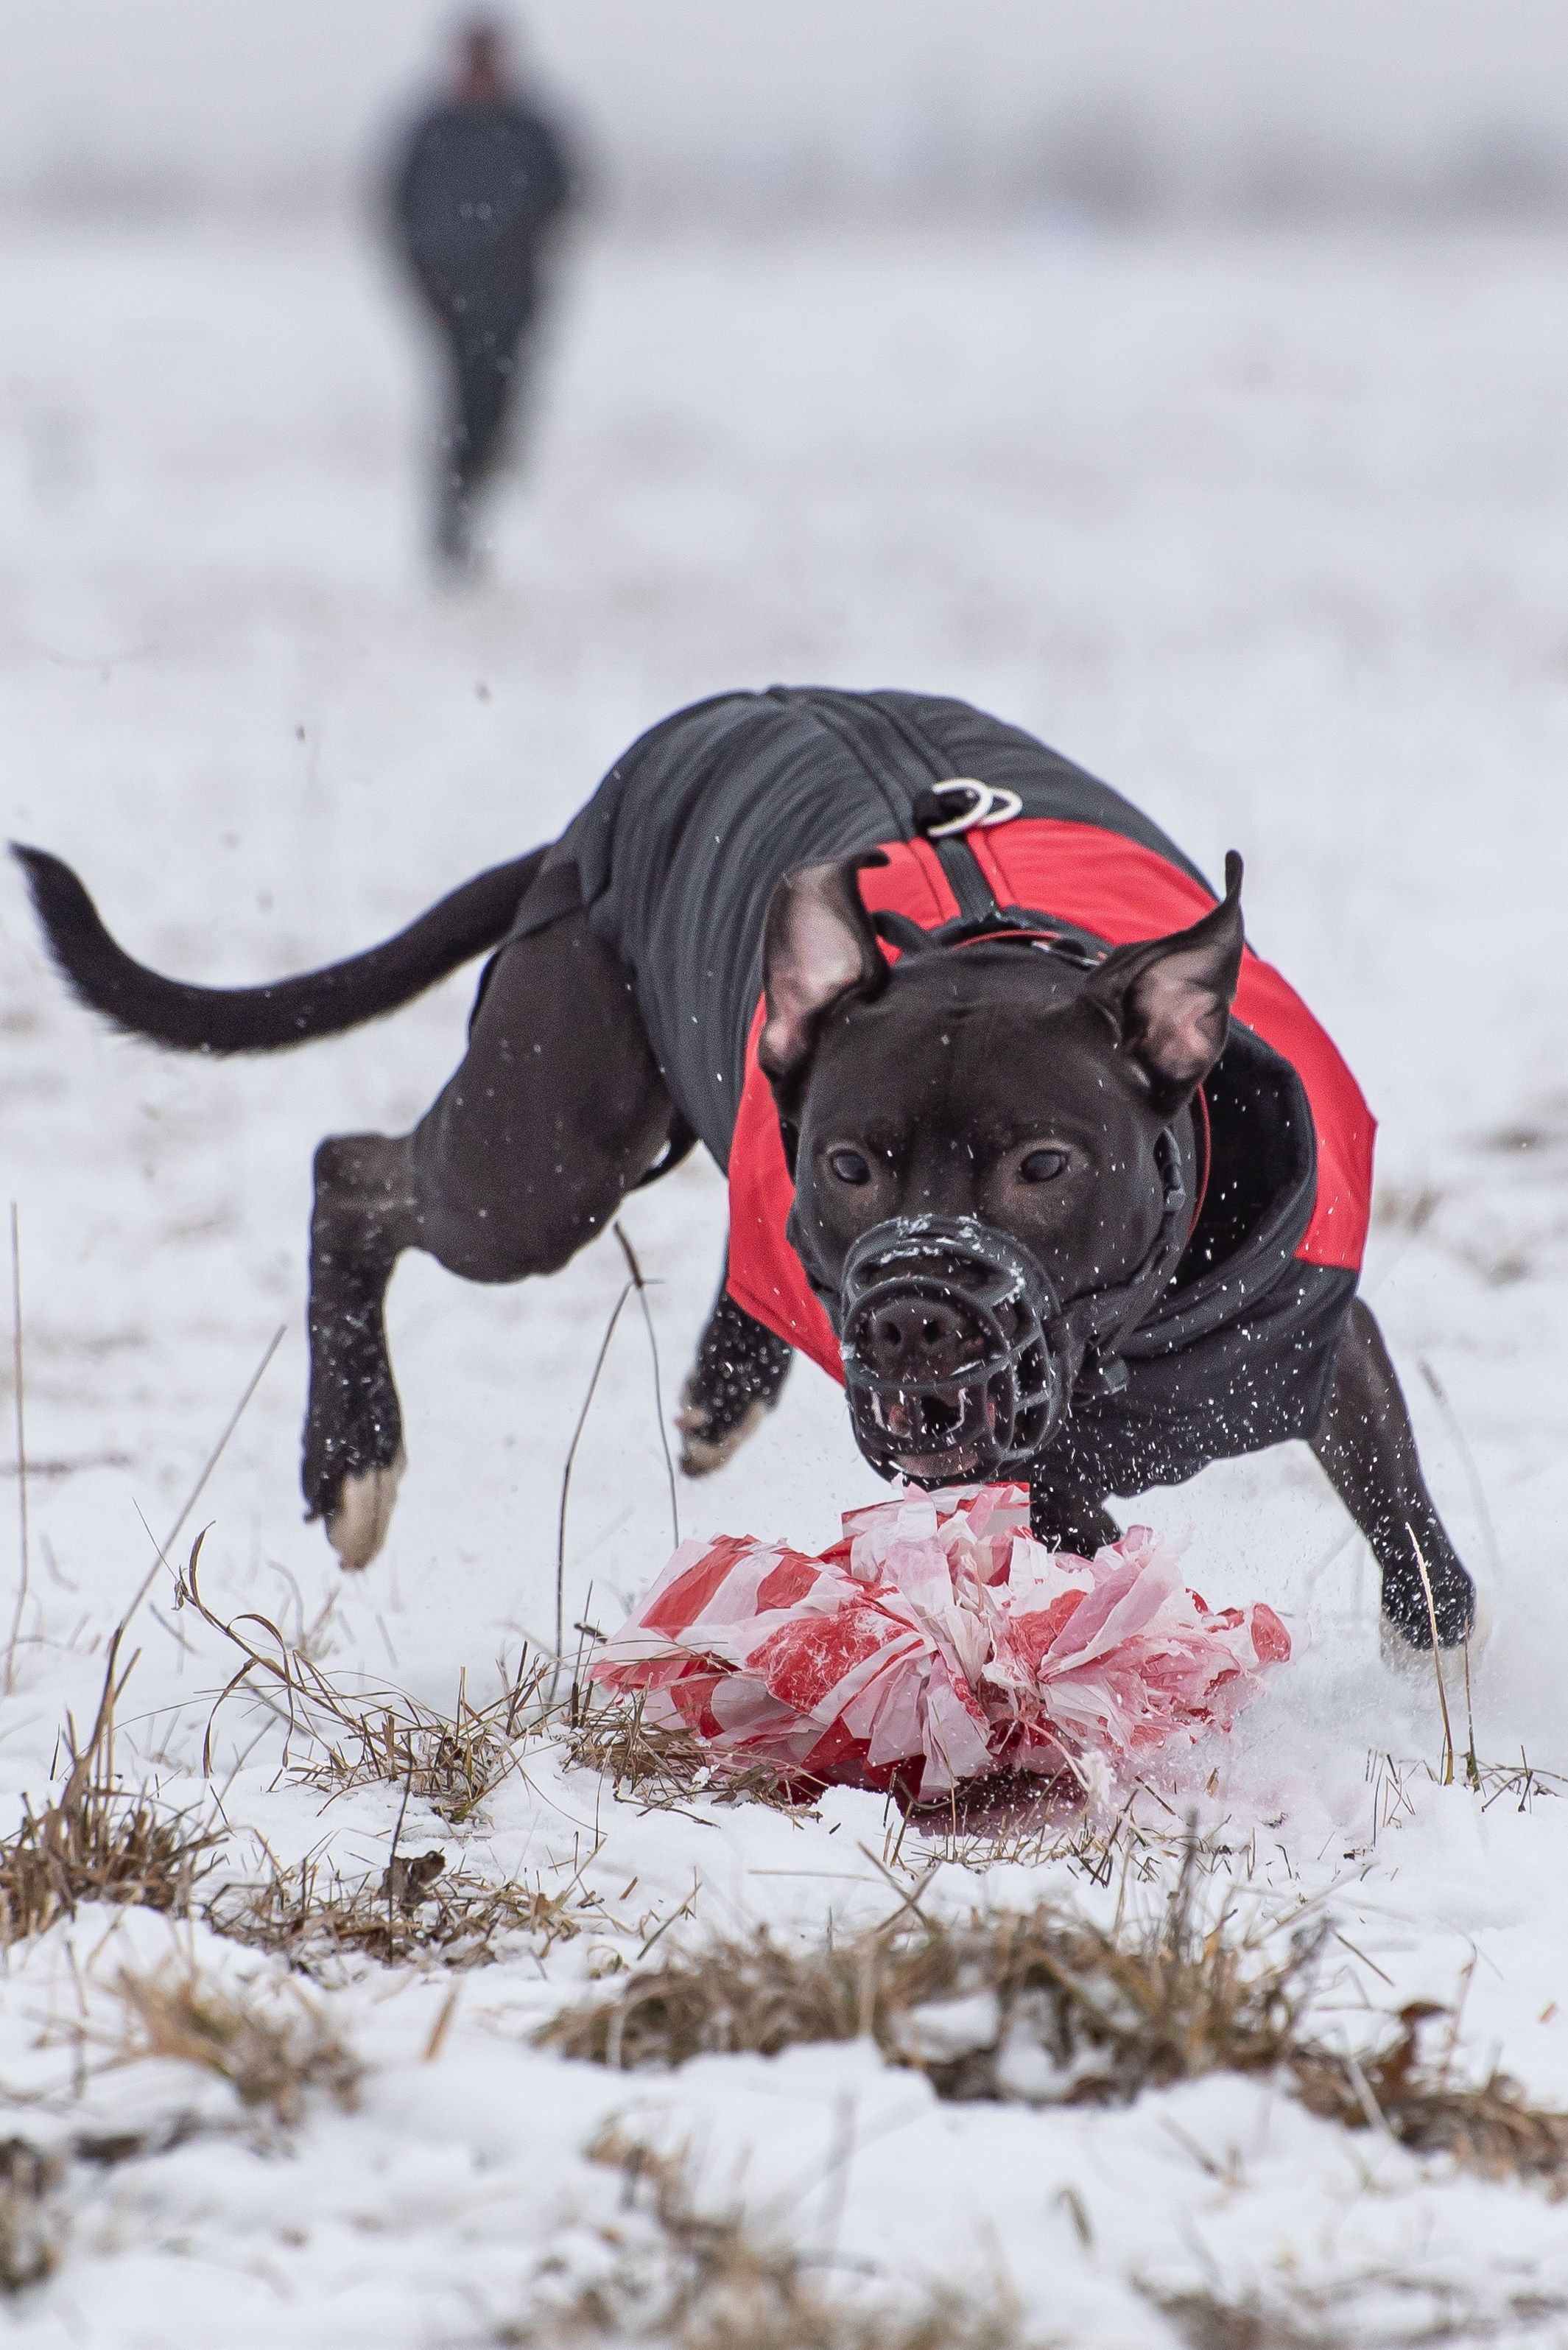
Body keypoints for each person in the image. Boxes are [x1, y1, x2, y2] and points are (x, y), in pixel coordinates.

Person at [391, 19, 575, 569]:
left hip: (514, 300)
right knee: (461, 407)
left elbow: (566, 194)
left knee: (502, 411)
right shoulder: (433, 131)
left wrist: (523, 248)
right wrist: (428, 274)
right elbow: (399, 207)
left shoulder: (530, 130)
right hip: (450, 302)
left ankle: (471, 502)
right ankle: (452, 520)